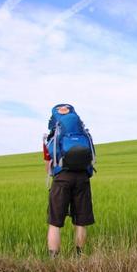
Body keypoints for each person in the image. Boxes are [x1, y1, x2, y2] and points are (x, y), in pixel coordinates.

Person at [43, 104, 95, 257]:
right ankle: (80, 257)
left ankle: (54, 259)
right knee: (80, 221)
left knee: (55, 223)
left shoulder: (53, 135)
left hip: (62, 179)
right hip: (82, 178)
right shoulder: (83, 133)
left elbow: (48, 166)